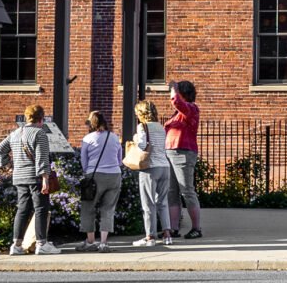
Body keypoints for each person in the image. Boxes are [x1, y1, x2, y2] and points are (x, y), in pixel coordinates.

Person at [0, 101, 70, 255]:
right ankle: (42, 244)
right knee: (41, 208)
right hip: (35, 177)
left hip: (19, 177)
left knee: (22, 210)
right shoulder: (39, 133)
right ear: (41, 119)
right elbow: (42, 158)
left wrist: (6, 164)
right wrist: (45, 179)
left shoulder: (16, 133)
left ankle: (16, 245)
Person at [129, 97, 173, 247]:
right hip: (165, 166)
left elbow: (141, 145)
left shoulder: (143, 127)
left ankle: (150, 236)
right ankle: (167, 234)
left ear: (141, 113)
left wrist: (134, 138)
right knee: (162, 202)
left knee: (148, 203)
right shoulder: (161, 127)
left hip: (150, 168)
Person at [164, 79, 204, 238]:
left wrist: (174, 88)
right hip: (171, 152)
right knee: (171, 192)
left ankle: (196, 228)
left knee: (187, 191)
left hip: (183, 153)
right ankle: (173, 229)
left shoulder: (191, 109)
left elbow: (177, 103)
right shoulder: (179, 114)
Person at [77, 109, 123, 246]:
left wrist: (88, 173)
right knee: (108, 209)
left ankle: (90, 241)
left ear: (91, 124)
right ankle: (103, 242)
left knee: (88, 208)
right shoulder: (114, 137)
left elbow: (83, 161)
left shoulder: (87, 139)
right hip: (115, 175)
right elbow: (120, 160)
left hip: (94, 175)